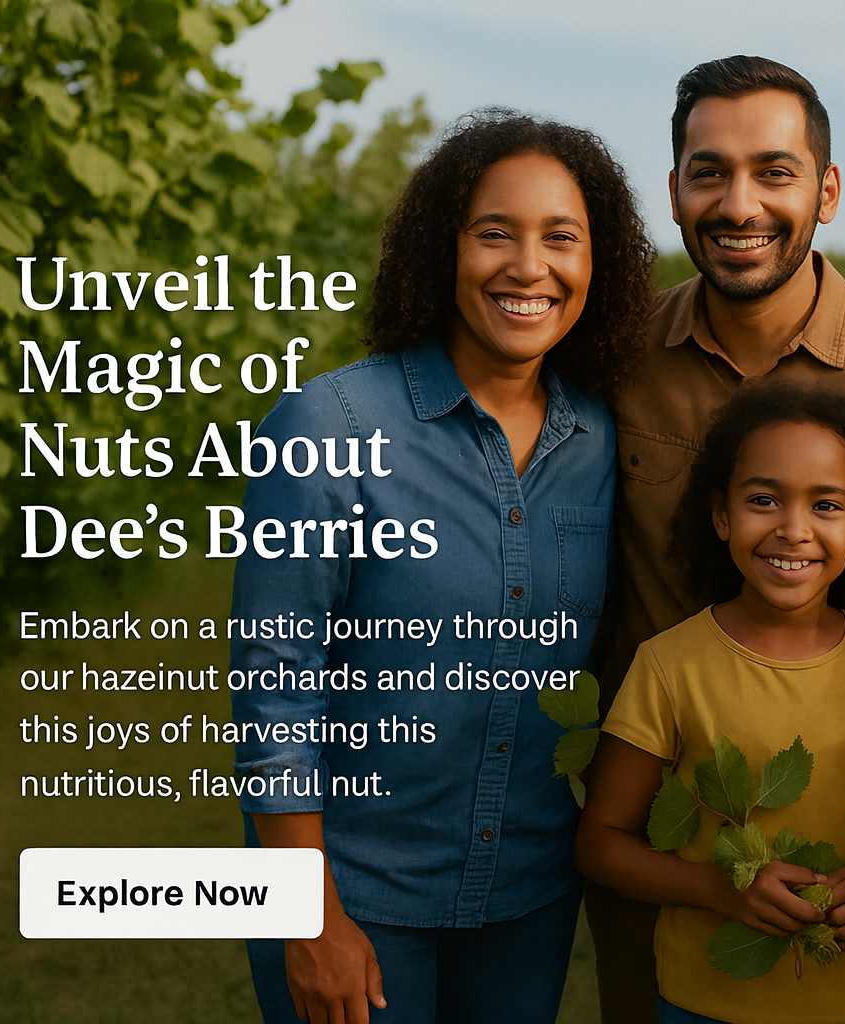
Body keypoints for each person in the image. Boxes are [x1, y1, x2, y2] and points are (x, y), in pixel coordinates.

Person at [590, 55, 845, 1022]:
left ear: (827, 190)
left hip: (839, 832)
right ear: (676, 190)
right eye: (708, 172)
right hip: (652, 826)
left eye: (774, 171)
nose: (740, 204)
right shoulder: (615, 358)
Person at [228, 109, 654, 1024]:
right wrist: (309, 920)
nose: (528, 266)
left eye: (561, 238)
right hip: (357, 892)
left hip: (527, 896)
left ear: (598, 264)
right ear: (441, 249)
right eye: (493, 233)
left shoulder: (599, 440)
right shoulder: (327, 428)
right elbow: (273, 693)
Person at [578, 383, 845, 1024]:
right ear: (721, 516)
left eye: (826, 505)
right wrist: (723, 891)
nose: (792, 530)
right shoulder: (669, 665)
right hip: (704, 999)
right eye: (763, 500)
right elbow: (601, 843)